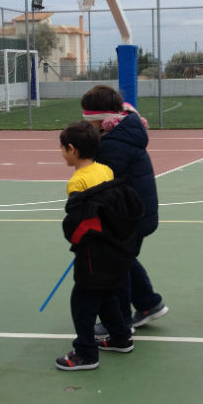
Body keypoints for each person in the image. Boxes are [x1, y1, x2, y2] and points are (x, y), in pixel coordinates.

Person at [80, 85, 168, 339]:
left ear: (102, 120)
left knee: (115, 266)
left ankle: (118, 321)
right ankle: (149, 303)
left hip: (128, 217)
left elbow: (106, 186)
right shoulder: (124, 133)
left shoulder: (113, 145)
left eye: (91, 121)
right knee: (125, 259)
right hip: (137, 213)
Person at [56, 121, 144, 371]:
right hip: (116, 248)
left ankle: (85, 353)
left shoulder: (77, 183)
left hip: (95, 253)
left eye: (62, 148)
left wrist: (77, 242)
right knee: (107, 295)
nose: (62, 153)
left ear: (71, 149)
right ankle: (120, 337)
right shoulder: (105, 169)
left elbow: (82, 222)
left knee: (82, 301)